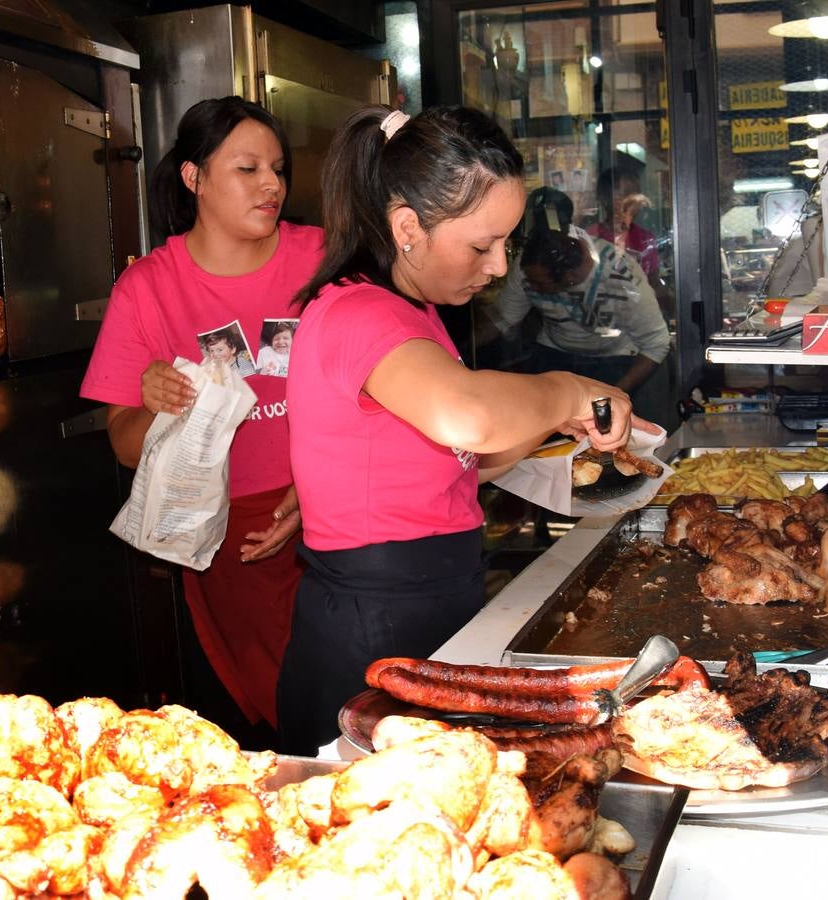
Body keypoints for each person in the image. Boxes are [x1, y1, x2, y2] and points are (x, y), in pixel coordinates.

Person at [278, 106, 654, 755]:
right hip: (370, 631)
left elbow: (463, 464)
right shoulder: (356, 312)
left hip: (430, 603)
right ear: (407, 229)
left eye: (505, 244)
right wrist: (563, 387)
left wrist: (550, 423)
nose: (500, 266)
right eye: (482, 245)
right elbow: (466, 416)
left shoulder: (415, 314)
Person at [80, 96, 324, 743]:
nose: (271, 184)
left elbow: (381, 387)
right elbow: (127, 447)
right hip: (233, 541)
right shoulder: (147, 287)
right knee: (278, 723)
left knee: (354, 701)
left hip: (338, 517)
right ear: (193, 177)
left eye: (277, 168)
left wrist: (317, 485)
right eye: (248, 168)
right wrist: (153, 403)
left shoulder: (323, 259)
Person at [486, 188, 671, 424]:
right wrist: (459, 347)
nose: (533, 287)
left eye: (540, 284)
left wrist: (610, 397)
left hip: (615, 359)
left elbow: (656, 344)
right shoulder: (528, 264)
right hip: (556, 357)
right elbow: (502, 319)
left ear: (570, 277)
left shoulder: (618, 273)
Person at [587, 165, 673, 320]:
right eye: (625, 194)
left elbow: (653, 282)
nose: (633, 201)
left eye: (636, 194)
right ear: (604, 198)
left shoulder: (645, 238)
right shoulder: (590, 237)